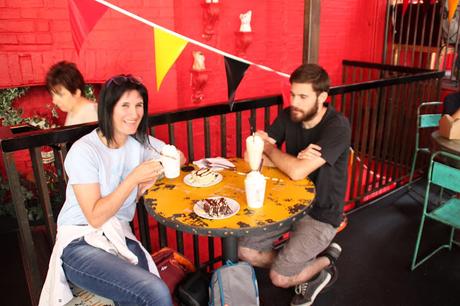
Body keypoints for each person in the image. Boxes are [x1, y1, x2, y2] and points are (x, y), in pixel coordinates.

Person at [39, 74, 185, 306]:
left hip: (118, 235)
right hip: (79, 241)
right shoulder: (84, 151)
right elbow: (95, 217)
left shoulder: (138, 142)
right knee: (155, 291)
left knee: (145, 293)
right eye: (125, 105)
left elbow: (177, 155)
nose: (134, 113)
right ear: (108, 107)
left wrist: (158, 171)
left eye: (139, 105)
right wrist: (133, 180)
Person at [239, 64, 351, 306]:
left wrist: (270, 150)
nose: (295, 102)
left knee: (278, 277)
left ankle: (325, 264)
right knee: (245, 252)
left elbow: (297, 172)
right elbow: (251, 158)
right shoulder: (289, 115)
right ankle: (298, 263)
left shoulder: (337, 127)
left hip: (322, 213)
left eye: (303, 96)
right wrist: (291, 160)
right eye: (292, 94)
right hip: (288, 205)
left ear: (322, 98)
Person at [46, 61, 98, 126]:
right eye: (53, 94)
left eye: (61, 95)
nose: (54, 101)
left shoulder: (91, 114)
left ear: (77, 93)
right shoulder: (72, 108)